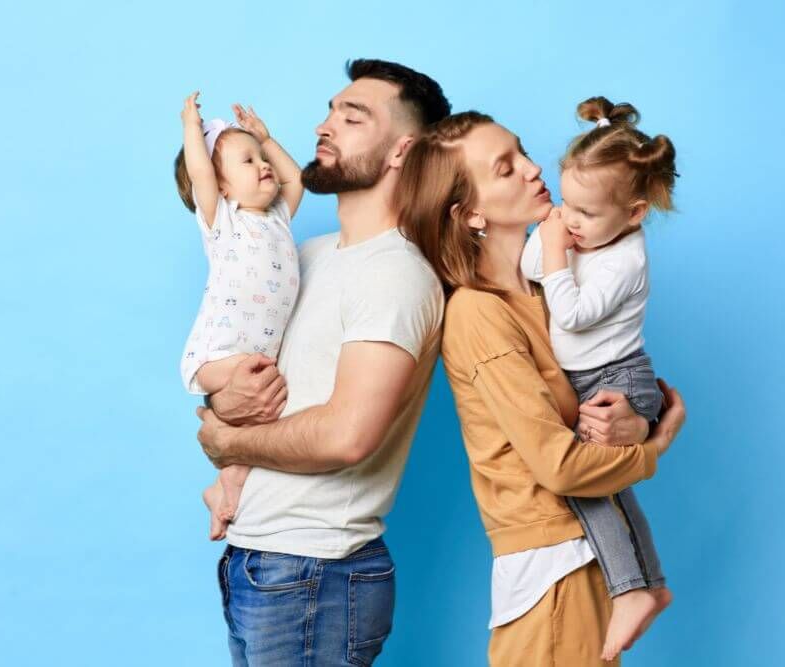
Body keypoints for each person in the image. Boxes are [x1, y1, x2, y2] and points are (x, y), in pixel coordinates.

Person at [397, 111, 686, 666]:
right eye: (506, 168)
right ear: (470, 213)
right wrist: (654, 446)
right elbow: (559, 466)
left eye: (523, 152)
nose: (533, 169)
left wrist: (632, 422)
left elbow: (602, 391)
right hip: (551, 569)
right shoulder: (479, 313)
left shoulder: (550, 287)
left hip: (592, 559)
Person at [194, 59, 451, 666]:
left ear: (402, 150)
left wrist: (227, 440)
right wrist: (219, 402)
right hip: (261, 561)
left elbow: (346, 436)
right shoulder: (303, 255)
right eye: (331, 110)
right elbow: (244, 366)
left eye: (353, 117)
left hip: (316, 572)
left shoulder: (395, 275)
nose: (324, 126)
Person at [519, 96, 680, 660]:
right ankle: (649, 584)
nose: (570, 220)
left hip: (620, 380)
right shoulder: (581, 236)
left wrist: (554, 250)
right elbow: (530, 267)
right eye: (566, 203)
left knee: (584, 483)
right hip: (591, 378)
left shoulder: (625, 259)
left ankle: (630, 590)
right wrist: (552, 239)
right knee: (609, 488)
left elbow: (572, 313)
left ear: (634, 214)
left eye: (586, 213)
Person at [175, 94, 303, 541]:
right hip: (220, 354)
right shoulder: (223, 222)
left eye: (262, 159)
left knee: (254, 435)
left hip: (257, 361)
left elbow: (296, 179)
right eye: (248, 161)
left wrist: (267, 140)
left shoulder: (278, 217)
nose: (264, 165)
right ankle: (225, 482)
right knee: (254, 401)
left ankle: (222, 491)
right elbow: (200, 172)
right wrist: (192, 128)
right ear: (223, 187)